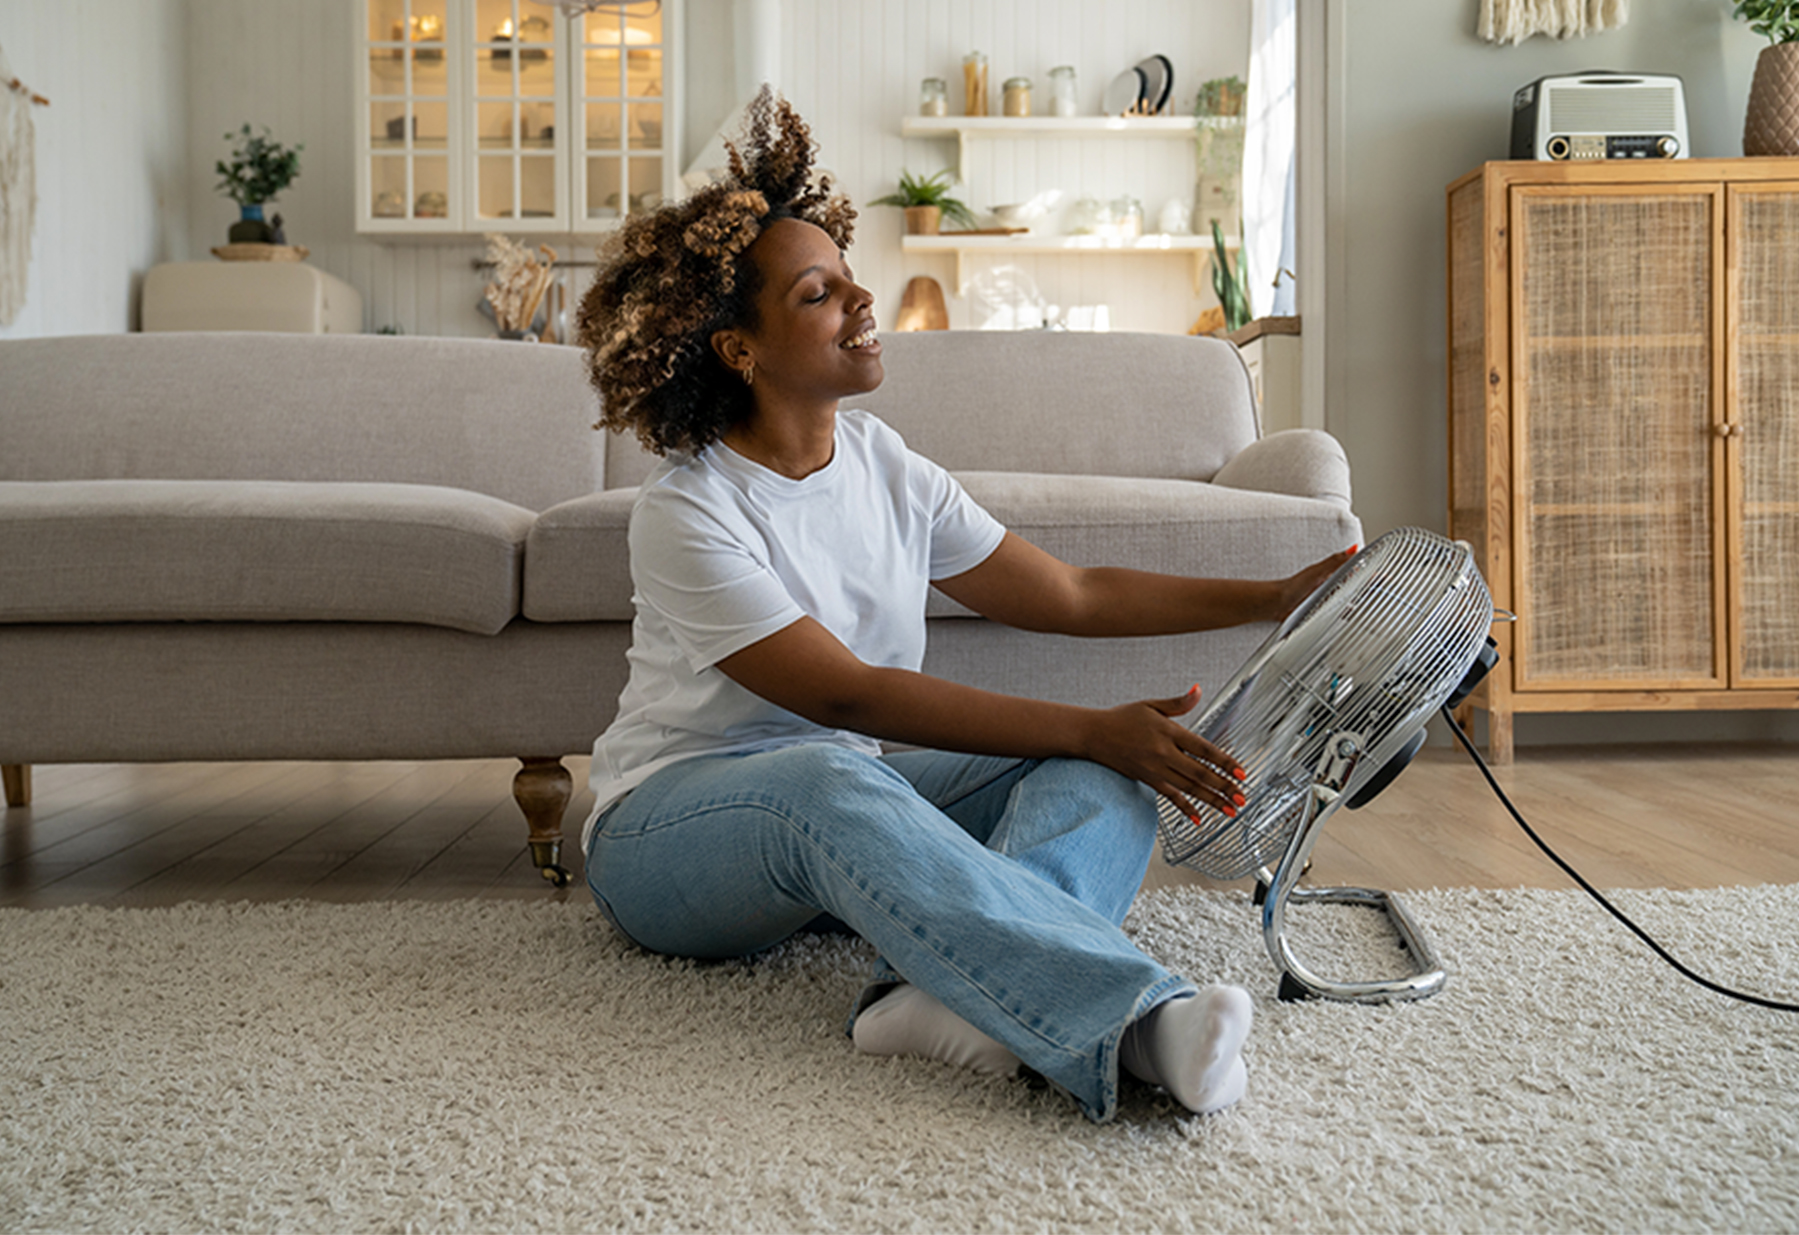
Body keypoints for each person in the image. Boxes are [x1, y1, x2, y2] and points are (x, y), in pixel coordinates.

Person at [572, 89, 1352, 1124]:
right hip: (671, 836)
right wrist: (1094, 719)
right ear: (737, 349)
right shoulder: (690, 508)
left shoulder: (884, 465)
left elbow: (1068, 592)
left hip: (842, 802)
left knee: (1095, 771)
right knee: (832, 769)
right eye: (818, 294)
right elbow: (846, 697)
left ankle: (929, 997)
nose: (861, 303)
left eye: (850, 279)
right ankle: (1130, 1022)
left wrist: (1272, 598)